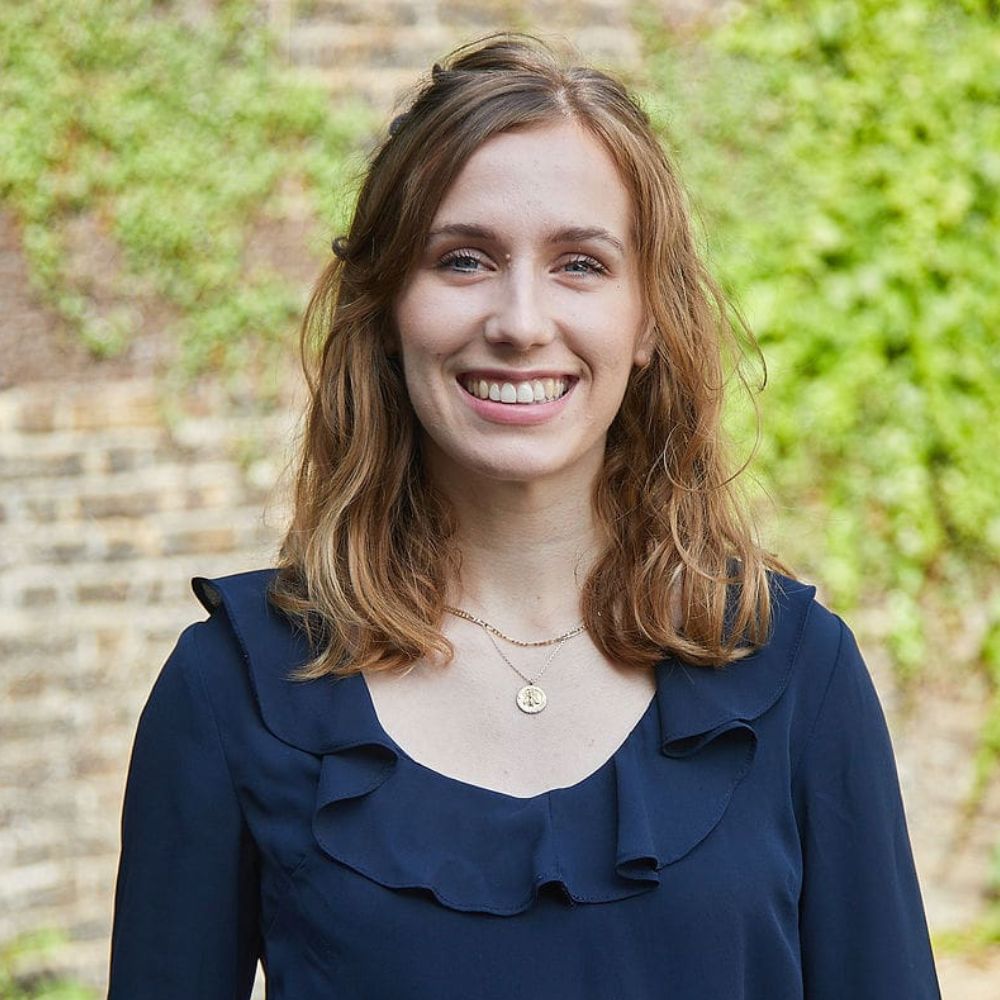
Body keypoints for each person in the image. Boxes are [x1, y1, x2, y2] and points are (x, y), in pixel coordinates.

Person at [106, 33, 941, 1000]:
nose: (520, 322)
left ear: (647, 322)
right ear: (386, 309)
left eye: (580, 264)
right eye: (463, 260)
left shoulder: (798, 673)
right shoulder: (229, 690)